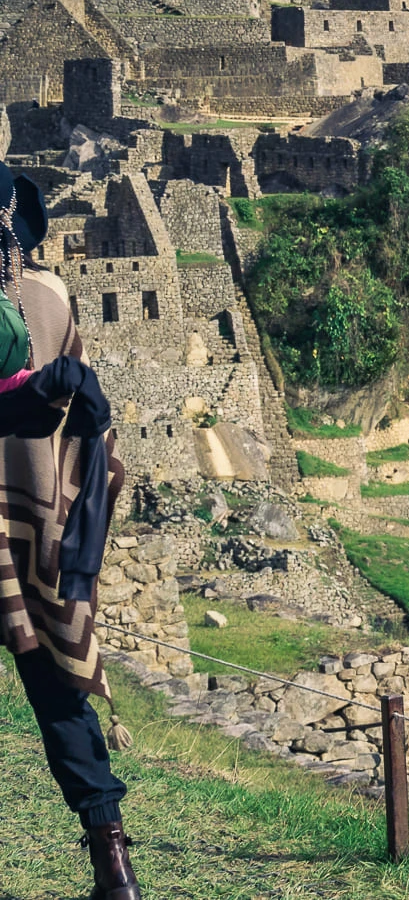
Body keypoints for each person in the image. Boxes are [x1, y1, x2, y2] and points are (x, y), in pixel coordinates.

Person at [0, 163, 137, 900]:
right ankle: (113, 861)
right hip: (32, 529)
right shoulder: (47, 296)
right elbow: (92, 436)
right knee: (58, 693)